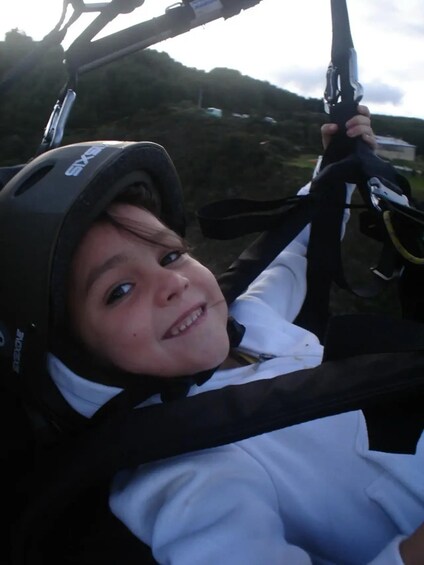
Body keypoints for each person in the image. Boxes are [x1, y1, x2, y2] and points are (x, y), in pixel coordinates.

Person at [1, 106, 423, 564]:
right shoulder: (179, 470)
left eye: (170, 256)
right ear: (77, 359)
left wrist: (335, 161)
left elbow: (294, 248)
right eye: (119, 291)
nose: (173, 283)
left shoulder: (248, 317)